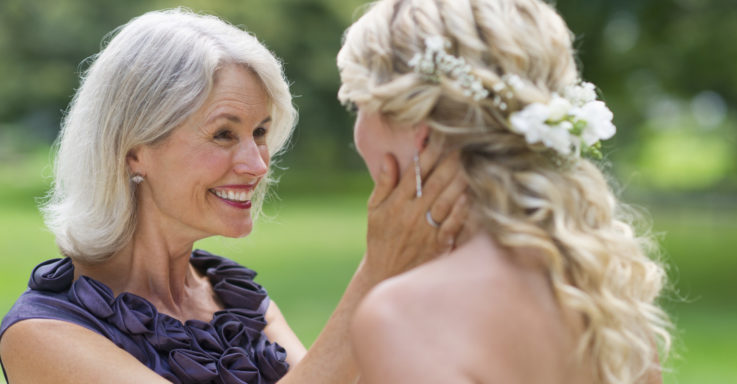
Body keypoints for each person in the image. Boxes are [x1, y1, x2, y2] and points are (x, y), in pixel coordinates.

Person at [0, 8, 468, 383]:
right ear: (133, 151)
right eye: (224, 134)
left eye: (260, 132)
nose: (257, 163)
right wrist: (376, 273)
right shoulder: (43, 333)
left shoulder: (234, 297)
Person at [337, 0, 673, 383]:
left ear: (421, 133)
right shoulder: (606, 298)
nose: (358, 135)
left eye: (358, 105)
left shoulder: (401, 317)